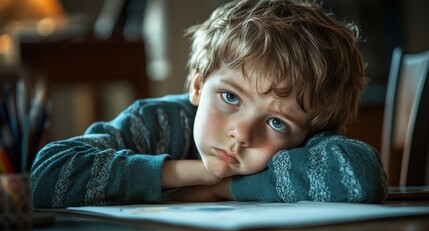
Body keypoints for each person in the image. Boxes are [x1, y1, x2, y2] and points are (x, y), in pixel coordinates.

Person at [30, 0, 387, 208]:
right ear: (198, 85)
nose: (242, 134)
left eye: (276, 122)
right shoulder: (157, 123)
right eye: (230, 97)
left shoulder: (307, 142)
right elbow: (46, 178)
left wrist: (222, 188)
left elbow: (360, 177)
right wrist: (196, 174)